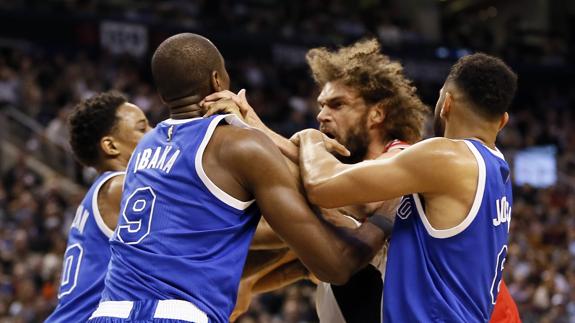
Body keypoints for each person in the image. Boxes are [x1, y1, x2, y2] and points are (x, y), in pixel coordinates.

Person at [89, 33, 388, 323]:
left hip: (107, 311)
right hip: (179, 315)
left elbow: (202, 240)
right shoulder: (238, 146)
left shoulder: (145, 147)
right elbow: (335, 265)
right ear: (217, 81)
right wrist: (384, 218)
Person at [205, 39, 427, 323]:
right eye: (321, 105)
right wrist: (246, 282)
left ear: (377, 113)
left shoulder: (405, 155)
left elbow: (363, 199)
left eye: (337, 105)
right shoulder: (336, 185)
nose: (322, 115)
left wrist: (256, 129)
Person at [293, 53, 517, 321]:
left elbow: (321, 185)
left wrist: (311, 139)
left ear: (446, 103)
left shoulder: (445, 157)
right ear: (502, 121)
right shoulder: (498, 168)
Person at [45, 92, 151, 322]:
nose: (154, 134)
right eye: (142, 128)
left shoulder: (105, 189)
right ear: (111, 146)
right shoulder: (121, 187)